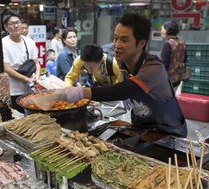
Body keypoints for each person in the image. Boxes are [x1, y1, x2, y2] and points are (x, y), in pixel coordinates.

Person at [57, 14, 187, 137]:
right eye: (115, 38)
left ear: (141, 43)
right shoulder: (122, 64)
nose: (117, 45)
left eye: (124, 40)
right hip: (141, 127)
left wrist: (81, 92)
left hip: (168, 132)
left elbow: (125, 90)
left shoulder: (153, 68)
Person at [2, 10, 41, 113]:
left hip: (31, 90)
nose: (16, 26)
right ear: (6, 27)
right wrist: (26, 79)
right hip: (13, 91)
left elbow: (36, 63)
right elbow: (7, 69)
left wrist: (37, 76)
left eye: (17, 22)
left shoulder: (29, 41)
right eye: (12, 23)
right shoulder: (3, 43)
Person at [160, 20, 186, 88]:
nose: (161, 31)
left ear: (167, 30)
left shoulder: (167, 44)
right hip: (178, 79)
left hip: (167, 81)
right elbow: (184, 59)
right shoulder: (182, 43)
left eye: (162, 29)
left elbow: (164, 64)